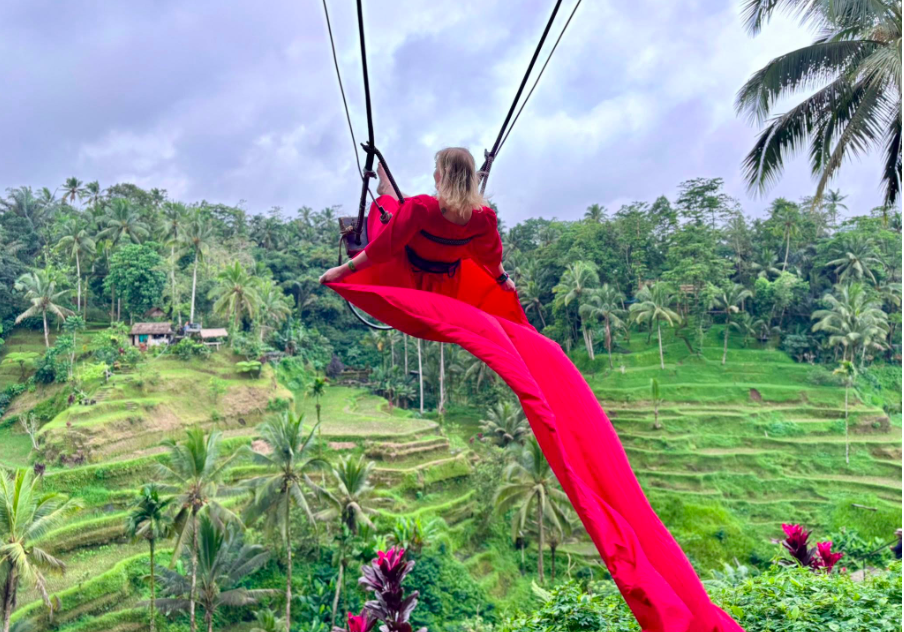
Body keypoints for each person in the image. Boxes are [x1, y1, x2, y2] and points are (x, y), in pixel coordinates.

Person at [319, 148, 519, 318]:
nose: (434, 174)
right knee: (409, 208)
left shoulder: (421, 208)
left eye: (436, 169)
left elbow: (382, 248)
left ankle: (388, 190)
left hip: (406, 277)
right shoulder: (484, 218)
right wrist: (502, 279)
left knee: (389, 206)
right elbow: (491, 256)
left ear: (441, 176)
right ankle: (389, 188)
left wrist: (342, 270)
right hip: (446, 288)